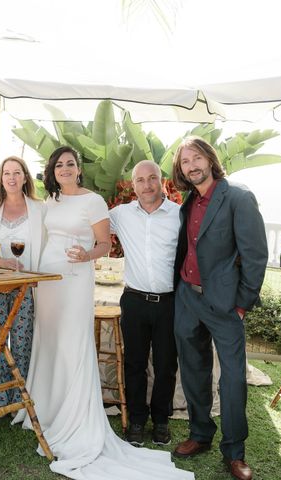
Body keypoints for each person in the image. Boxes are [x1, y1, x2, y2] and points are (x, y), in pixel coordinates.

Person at [15, 146, 192, 479]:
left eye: (71, 163)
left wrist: (87, 256)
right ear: (52, 171)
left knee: (160, 360)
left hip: (80, 279)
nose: (65, 168)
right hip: (49, 282)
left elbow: (103, 245)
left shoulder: (99, 202)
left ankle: (154, 421)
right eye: (59, 164)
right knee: (52, 344)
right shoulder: (54, 203)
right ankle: (48, 410)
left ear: (79, 169)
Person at [171, 136, 267, 480]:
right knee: (193, 370)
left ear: (210, 160)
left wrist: (241, 304)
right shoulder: (188, 202)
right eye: (185, 161)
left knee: (232, 380)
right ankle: (200, 434)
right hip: (187, 298)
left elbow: (255, 256)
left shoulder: (238, 198)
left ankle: (234, 452)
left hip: (225, 305)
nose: (191, 166)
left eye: (196, 158)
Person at [109, 160, 180, 447]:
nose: (147, 185)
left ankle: (161, 420)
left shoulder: (179, 214)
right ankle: (137, 420)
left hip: (170, 302)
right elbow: (89, 221)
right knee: (134, 363)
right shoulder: (121, 214)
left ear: (161, 181)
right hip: (135, 300)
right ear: (132, 185)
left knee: (165, 365)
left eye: (152, 179)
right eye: (140, 180)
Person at [0, 156, 45, 412]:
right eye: (7, 173)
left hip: (27, 285)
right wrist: (2, 261)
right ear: (1, 179)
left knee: (23, 340)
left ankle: (20, 399)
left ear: (25, 177)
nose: (12, 178)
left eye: (17, 172)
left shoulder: (40, 208)